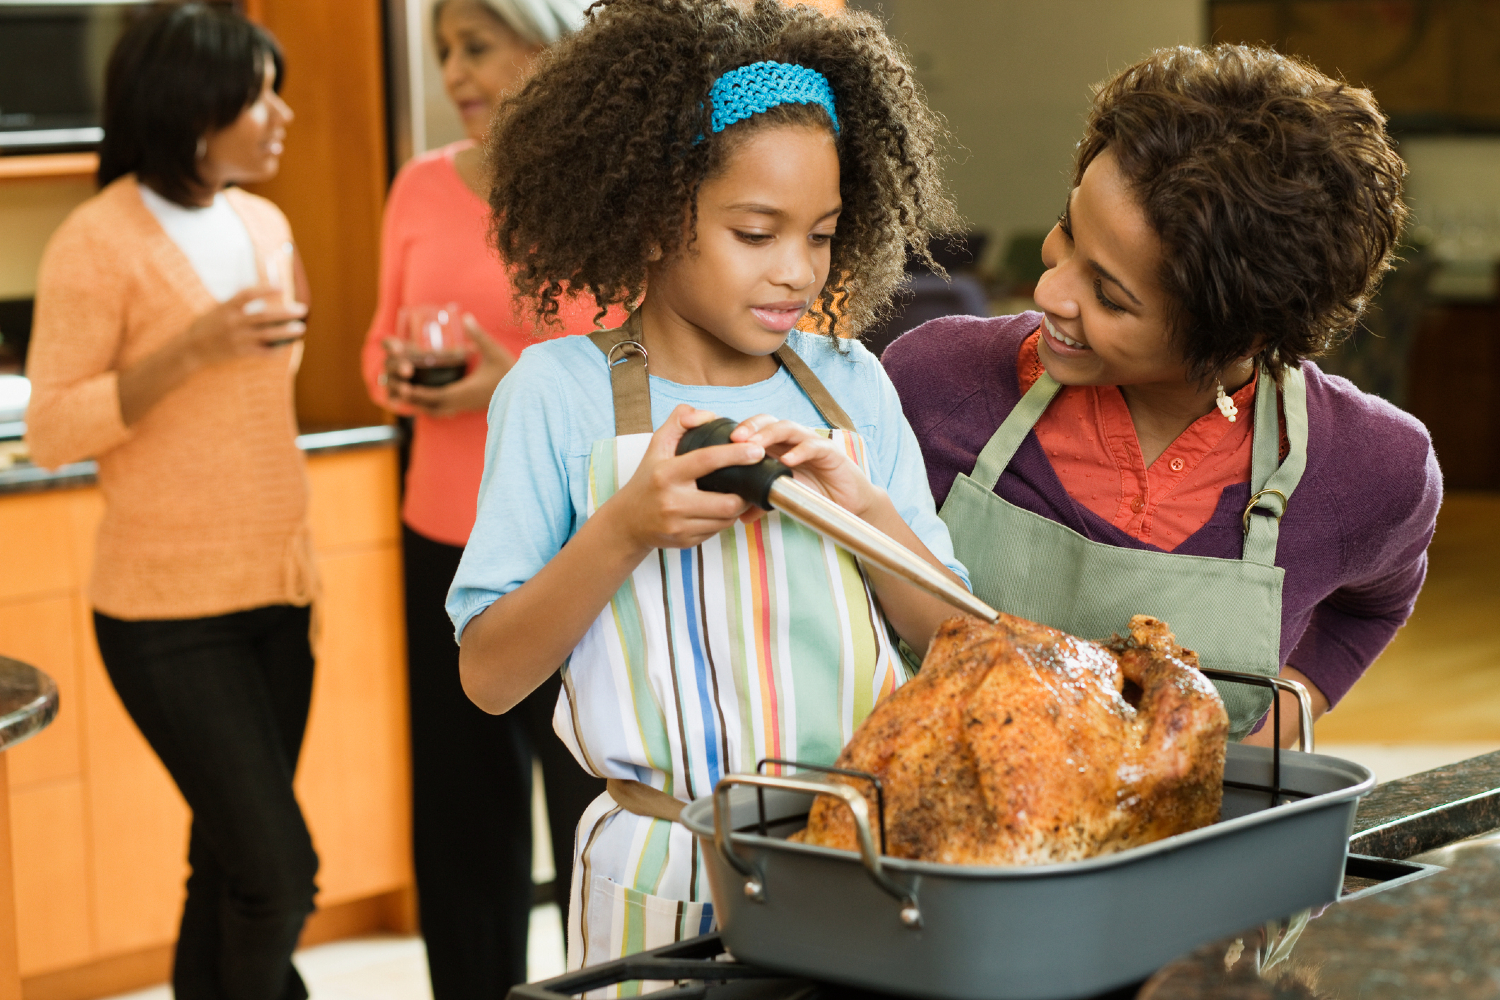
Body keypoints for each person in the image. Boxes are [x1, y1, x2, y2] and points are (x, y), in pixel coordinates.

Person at [446, 0, 965, 970]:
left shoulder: (853, 383)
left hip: (861, 857)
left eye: (821, 234)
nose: (798, 271)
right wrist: (625, 527)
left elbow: (956, 643)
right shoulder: (557, 395)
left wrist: (869, 513)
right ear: (648, 216)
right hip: (661, 877)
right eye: (757, 231)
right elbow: (487, 675)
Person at [882, 45, 1443, 748]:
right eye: (1067, 230)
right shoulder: (933, 382)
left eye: (1110, 296)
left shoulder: (1373, 467)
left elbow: (1373, 605)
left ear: (1244, 329)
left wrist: (1283, 721)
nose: (1049, 292)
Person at [24, 6, 317, 1000]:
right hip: (164, 614)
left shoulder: (266, 223)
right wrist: (189, 350)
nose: (281, 113)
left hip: (281, 594)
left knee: (230, 869)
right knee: (281, 876)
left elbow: (257, 401)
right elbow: (52, 429)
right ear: (193, 108)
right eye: (257, 93)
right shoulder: (95, 241)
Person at [358, 0, 608, 994]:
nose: (456, 72)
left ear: (546, 46)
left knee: (587, 800)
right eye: (444, 53)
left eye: (476, 46)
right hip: (441, 535)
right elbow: (378, 347)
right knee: (462, 817)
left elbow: (618, 366)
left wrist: (513, 375)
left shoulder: (599, 192)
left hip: (571, 543)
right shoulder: (419, 187)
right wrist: (404, 376)